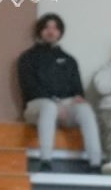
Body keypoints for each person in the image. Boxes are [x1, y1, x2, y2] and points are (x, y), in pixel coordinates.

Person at [16, 12, 101, 173]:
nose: (51, 31)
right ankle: (45, 160)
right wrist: (55, 103)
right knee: (49, 107)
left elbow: (77, 90)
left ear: (60, 32)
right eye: (47, 27)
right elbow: (29, 88)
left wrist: (77, 99)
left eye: (55, 27)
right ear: (40, 31)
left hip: (66, 106)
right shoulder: (27, 58)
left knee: (85, 110)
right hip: (38, 105)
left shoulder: (69, 59)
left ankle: (95, 163)